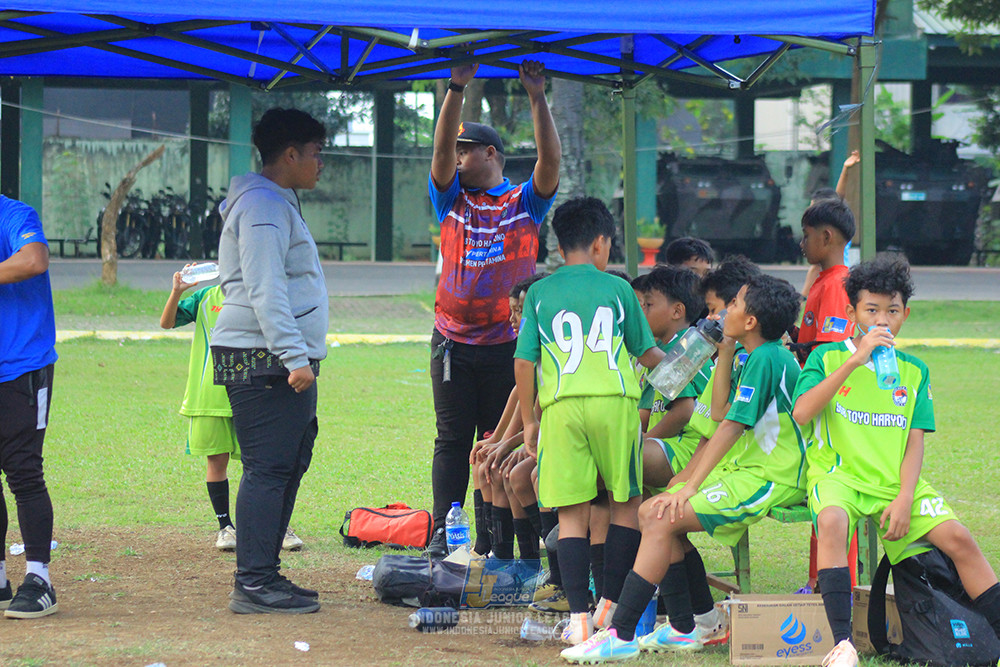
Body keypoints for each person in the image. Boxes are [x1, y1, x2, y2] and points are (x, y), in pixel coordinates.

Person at [561, 274, 807, 662]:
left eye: (735, 304)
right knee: (651, 510)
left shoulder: (768, 358)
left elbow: (730, 427)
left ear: (751, 322)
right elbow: (722, 410)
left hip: (772, 477)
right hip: (747, 469)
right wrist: (724, 352)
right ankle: (695, 623)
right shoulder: (751, 355)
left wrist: (692, 483)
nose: (723, 311)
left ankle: (621, 633)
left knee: (659, 516)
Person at [792, 255, 1000, 667]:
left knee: (959, 538)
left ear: (905, 313)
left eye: (892, 310)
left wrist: (905, 497)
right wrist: (855, 360)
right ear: (852, 313)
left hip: (894, 485)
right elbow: (801, 413)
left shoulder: (914, 370)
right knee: (833, 522)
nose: (882, 320)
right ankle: (842, 643)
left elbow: (914, 441)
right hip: (840, 477)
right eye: (871, 310)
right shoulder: (827, 358)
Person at [514, 197, 666, 646]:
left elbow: (524, 362)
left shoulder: (539, 292)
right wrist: (691, 364)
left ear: (560, 247)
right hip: (615, 402)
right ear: (601, 243)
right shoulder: (618, 289)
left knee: (572, 513)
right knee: (625, 502)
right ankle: (611, 604)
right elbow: (648, 354)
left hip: (561, 406)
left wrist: (529, 421)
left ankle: (579, 617)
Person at [424, 58, 561, 558]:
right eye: (454, 150)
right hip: (452, 343)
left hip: (509, 345)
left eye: (466, 150)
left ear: (491, 153)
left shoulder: (524, 202)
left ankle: (491, 540)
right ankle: (443, 531)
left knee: (498, 439)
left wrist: (537, 97)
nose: (456, 157)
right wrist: (456, 88)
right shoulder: (451, 201)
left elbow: (550, 164)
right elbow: (438, 153)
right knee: (452, 439)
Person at [210, 108, 328, 615]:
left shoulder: (276, 201)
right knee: (268, 466)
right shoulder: (261, 204)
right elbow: (265, 287)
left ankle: (265, 573)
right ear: (290, 155)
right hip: (264, 356)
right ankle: (254, 582)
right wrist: (293, 356)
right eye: (317, 154)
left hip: (273, 354)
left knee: (288, 459)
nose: (321, 164)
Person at [159, 271, 304, 553]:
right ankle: (225, 528)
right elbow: (167, 323)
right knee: (217, 462)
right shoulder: (205, 297)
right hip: (210, 395)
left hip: (255, 392)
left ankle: (277, 526)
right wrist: (177, 290)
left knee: (264, 464)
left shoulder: (265, 296)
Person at [0, 197, 58, 619]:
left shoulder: (14, 215)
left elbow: (35, 259)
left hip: (21, 365)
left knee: (22, 470)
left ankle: (39, 579)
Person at [792, 198, 857, 365]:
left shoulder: (836, 284)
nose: (801, 244)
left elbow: (831, 351)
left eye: (806, 236)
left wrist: (794, 354)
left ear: (826, 237)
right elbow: (814, 337)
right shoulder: (825, 279)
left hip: (817, 386)